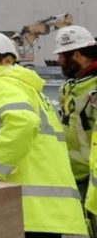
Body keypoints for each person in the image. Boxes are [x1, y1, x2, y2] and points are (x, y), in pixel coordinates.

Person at [0, 32, 87, 238]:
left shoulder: (3, 83)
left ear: (8, 60)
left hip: (21, 207)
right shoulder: (29, 89)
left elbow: (22, 123)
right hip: (40, 211)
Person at [55, 26, 97, 201]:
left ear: (77, 55)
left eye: (62, 56)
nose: (58, 61)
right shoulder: (68, 87)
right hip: (75, 176)